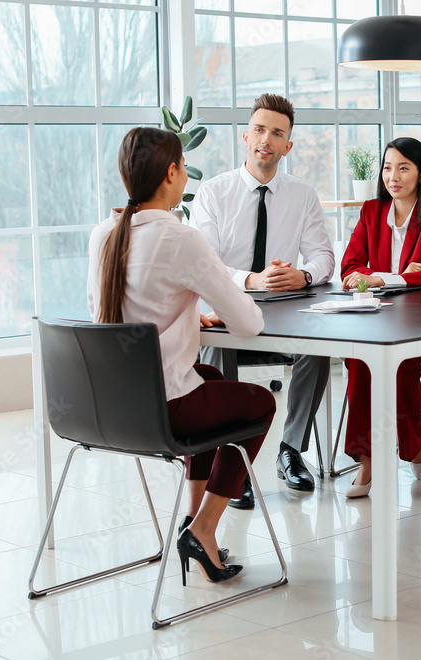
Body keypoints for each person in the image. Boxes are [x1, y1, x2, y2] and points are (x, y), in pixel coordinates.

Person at [87, 126, 276, 582]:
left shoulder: (103, 234)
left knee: (208, 378)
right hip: (163, 411)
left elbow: (127, 316)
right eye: (184, 167)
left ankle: (191, 523)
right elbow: (250, 323)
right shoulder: (181, 239)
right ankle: (205, 529)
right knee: (260, 404)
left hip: (108, 409)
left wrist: (187, 316)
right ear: (173, 173)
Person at [190, 93, 335, 504]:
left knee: (319, 346)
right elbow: (204, 264)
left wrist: (303, 274)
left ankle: (290, 450)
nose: (265, 140)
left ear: (287, 146)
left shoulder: (302, 194)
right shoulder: (214, 194)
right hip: (231, 312)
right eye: (258, 130)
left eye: (276, 133)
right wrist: (251, 279)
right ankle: (230, 462)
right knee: (215, 346)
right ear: (245, 136)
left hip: (285, 315)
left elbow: (324, 257)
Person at [339, 137, 421, 498]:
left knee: (397, 363)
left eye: (404, 167)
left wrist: (378, 277)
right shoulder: (371, 211)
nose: (394, 176)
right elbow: (349, 267)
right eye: (388, 167)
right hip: (374, 316)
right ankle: (368, 461)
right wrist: (402, 274)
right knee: (361, 359)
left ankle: (412, 441)